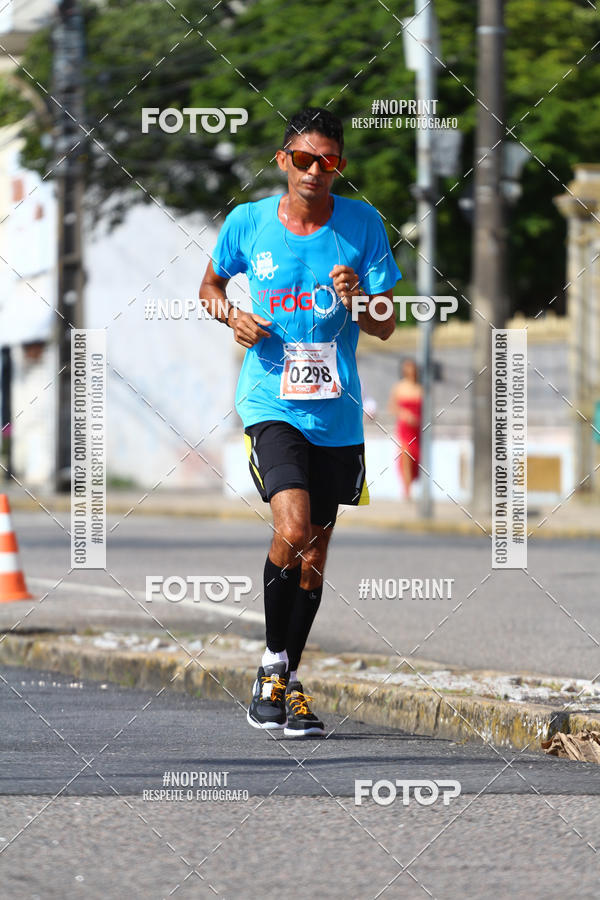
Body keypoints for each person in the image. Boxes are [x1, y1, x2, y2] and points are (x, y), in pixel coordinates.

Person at [199, 107, 402, 737]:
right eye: (305, 159)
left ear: (340, 166)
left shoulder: (363, 226)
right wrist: (230, 315)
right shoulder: (249, 222)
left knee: (314, 552)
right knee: (291, 525)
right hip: (270, 402)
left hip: (336, 412)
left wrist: (360, 299)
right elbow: (209, 287)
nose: (317, 171)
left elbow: (388, 322)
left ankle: (286, 681)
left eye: (330, 161)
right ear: (284, 161)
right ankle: (269, 665)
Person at [389, 358, 422, 498]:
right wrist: (404, 414)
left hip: (417, 429)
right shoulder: (399, 387)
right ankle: (406, 490)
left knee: (415, 458)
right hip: (404, 429)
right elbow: (392, 407)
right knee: (405, 455)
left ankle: (411, 485)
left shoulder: (421, 388)